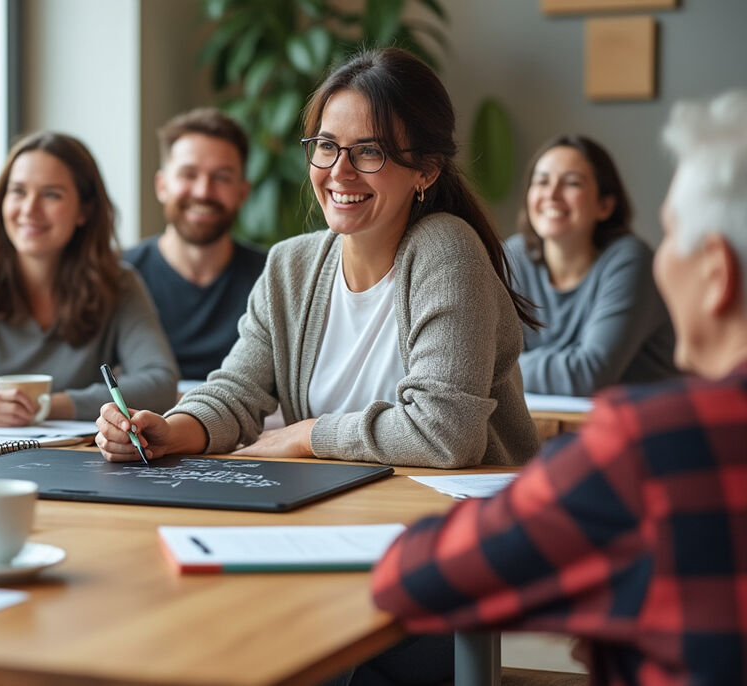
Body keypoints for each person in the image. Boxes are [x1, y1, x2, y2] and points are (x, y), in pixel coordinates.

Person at [372, 89, 747, 686]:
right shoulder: (512, 255)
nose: (659, 259)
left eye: (672, 234)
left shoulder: (654, 446)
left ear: (717, 273)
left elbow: (415, 579)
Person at [96, 48, 540, 469]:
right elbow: (235, 393)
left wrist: (307, 435)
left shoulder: (446, 250)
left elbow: (444, 433)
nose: (339, 172)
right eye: (327, 146)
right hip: (334, 513)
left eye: (369, 151)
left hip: (457, 520)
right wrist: (171, 430)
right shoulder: (292, 266)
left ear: (425, 169)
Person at [0, 131, 178, 429]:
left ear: (84, 210)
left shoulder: (119, 284)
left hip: (76, 462)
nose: (29, 209)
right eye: (18, 192)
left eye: (51, 194)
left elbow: (160, 383)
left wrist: (50, 405)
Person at [507, 134, 677, 396]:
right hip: (553, 424)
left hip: (648, 427)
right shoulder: (514, 256)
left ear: (605, 206)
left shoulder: (631, 260)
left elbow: (589, 374)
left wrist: (499, 371)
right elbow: (483, 353)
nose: (551, 194)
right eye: (541, 181)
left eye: (571, 183)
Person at [123, 108, 266, 381]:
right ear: (162, 186)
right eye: (189, 174)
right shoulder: (119, 276)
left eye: (222, 177)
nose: (203, 191)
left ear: (242, 192)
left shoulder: (274, 278)